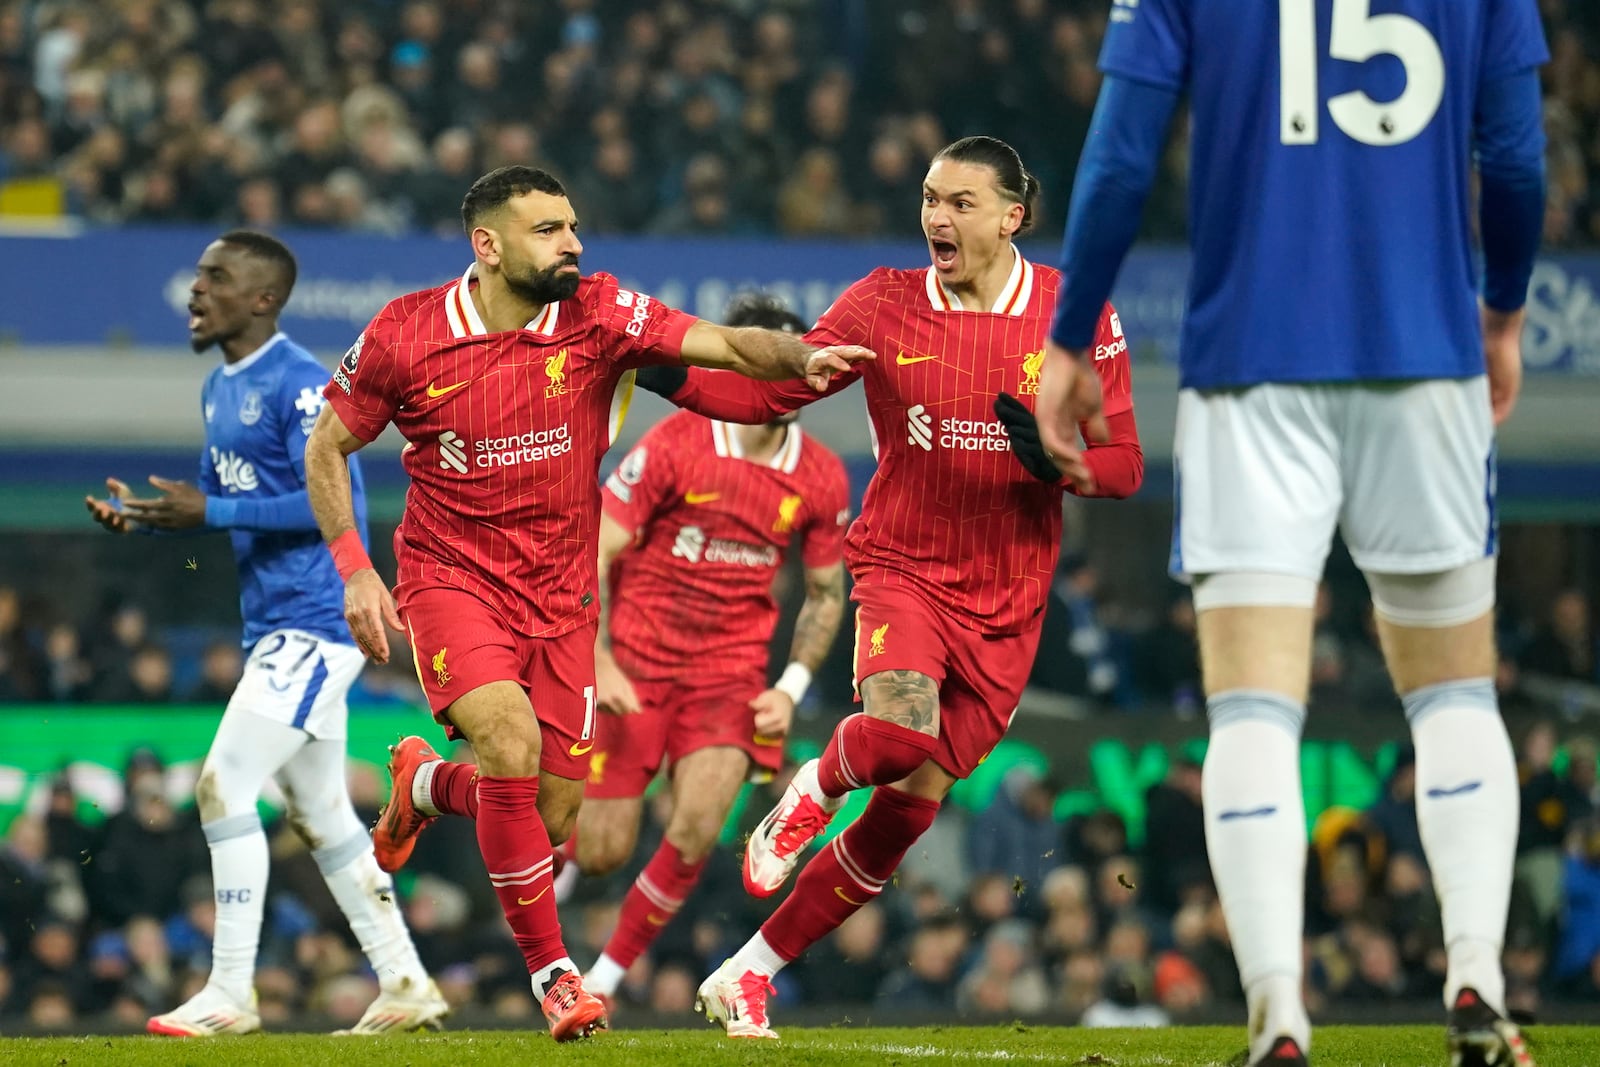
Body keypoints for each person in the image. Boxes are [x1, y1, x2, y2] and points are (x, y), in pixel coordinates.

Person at [1036, 2, 1548, 1064]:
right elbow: (1513, 154)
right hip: (1426, 356)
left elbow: (1122, 153)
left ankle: (1277, 1009)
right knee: (1454, 690)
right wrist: (1501, 308)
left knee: (1253, 709)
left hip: (1252, 364)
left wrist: (1072, 331)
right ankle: (1475, 981)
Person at [304, 165, 870, 1041]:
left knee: (554, 813)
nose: (572, 242)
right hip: (451, 579)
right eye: (548, 229)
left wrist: (806, 360)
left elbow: (721, 346)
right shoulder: (406, 332)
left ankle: (422, 781)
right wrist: (354, 567)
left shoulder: (600, 313)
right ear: (487, 246)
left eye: (572, 225)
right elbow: (327, 447)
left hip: (561, 598)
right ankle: (557, 976)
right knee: (510, 742)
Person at [634, 135, 1143, 1039]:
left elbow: (1126, 464)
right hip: (903, 565)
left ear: (1013, 215)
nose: (937, 218)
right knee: (898, 722)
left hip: (1009, 597)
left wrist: (1061, 463)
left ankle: (749, 973)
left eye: (960, 202)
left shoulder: (1075, 313)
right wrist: (656, 365)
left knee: (907, 813)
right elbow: (769, 398)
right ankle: (813, 790)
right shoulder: (882, 302)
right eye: (929, 199)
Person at [85, 231, 446, 1037]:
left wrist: (209, 509)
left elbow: (337, 507)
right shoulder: (219, 388)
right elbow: (221, 504)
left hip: (319, 621)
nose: (196, 290)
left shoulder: (301, 387)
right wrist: (146, 522)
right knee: (320, 811)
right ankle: (407, 979)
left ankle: (231, 990)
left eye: (215, 277)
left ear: (262, 299)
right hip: (278, 625)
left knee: (223, 783)